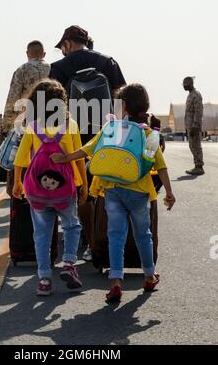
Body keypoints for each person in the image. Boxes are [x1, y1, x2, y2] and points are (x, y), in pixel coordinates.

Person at [51, 84, 176, 304]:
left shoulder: (111, 128)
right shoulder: (148, 134)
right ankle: (149, 275)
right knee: (143, 235)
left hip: (112, 190)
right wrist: (169, 191)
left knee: (115, 236)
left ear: (124, 106)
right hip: (139, 192)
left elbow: (88, 149)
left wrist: (64, 158)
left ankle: (116, 281)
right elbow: (161, 166)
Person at [51, 26, 127, 262]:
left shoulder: (59, 67)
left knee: (80, 185)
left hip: (74, 135)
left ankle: (90, 238)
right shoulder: (108, 62)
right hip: (107, 131)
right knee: (108, 182)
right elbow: (121, 96)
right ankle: (106, 233)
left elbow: (51, 105)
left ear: (68, 43)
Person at [12, 79, 88, 296]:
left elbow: (21, 159)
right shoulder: (71, 125)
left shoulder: (32, 127)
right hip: (65, 190)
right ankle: (69, 263)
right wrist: (83, 184)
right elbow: (79, 157)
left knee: (42, 234)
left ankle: (44, 279)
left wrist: (18, 182)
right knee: (72, 226)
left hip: (37, 192)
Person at [50, 25, 126, 99]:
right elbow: (117, 94)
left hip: (71, 111)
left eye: (62, 47)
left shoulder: (57, 67)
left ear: (68, 44)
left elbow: (54, 98)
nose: (62, 52)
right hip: (105, 111)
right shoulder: (108, 61)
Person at [2, 41, 50, 135]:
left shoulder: (22, 70)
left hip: (27, 121)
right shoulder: (52, 68)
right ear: (44, 54)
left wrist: (6, 126)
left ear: (27, 54)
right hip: (50, 119)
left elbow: (13, 98)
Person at [183, 77, 205, 176]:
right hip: (190, 126)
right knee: (192, 146)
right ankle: (197, 166)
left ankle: (199, 167)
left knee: (196, 146)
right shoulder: (190, 95)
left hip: (194, 126)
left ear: (190, 83)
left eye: (185, 84)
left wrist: (195, 126)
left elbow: (198, 111)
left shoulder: (196, 95)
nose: (184, 86)